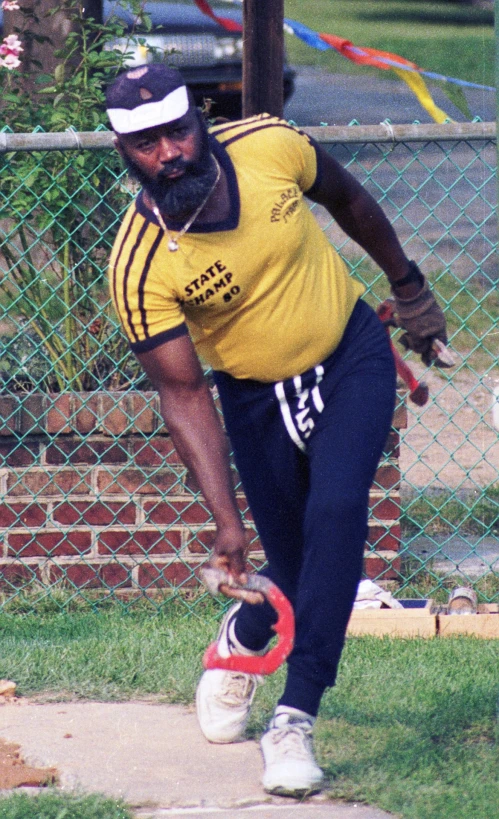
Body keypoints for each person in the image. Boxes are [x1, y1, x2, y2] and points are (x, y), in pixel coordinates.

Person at [105, 64, 447, 798]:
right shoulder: (138, 264)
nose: (168, 153)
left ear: (200, 119)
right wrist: (224, 520)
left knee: (336, 512)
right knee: (289, 567)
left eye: (176, 131)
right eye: (145, 144)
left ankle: (293, 716)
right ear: (122, 151)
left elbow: (349, 197)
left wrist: (409, 286)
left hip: (349, 353)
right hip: (254, 398)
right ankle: (245, 635)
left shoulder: (269, 144)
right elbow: (183, 393)